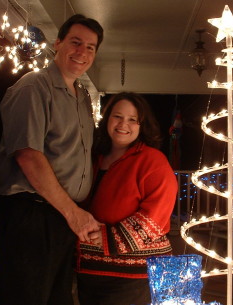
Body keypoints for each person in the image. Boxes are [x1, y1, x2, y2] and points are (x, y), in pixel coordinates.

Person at [0, 14, 104, 305]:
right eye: (76, 42)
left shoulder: (82, 98)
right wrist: (73, 213)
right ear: (58, 43)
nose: (82, 52)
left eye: (91, 47)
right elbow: (28, 156)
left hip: (62, 218)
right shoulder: (34, 86)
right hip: (32, 215)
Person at [76, 92, 178, 305]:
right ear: (107, 120)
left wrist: (110, 239)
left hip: (134, 275)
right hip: (91, 270)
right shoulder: (94, 159)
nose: (124, 124)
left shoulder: (152, 160)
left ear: (142, 125)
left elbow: (156, 215)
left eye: (133, 119)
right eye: (117, 116)